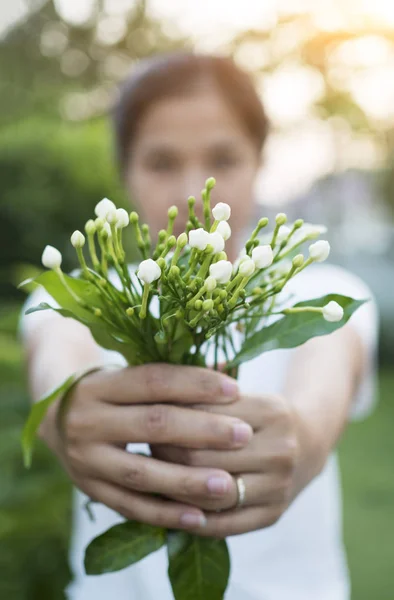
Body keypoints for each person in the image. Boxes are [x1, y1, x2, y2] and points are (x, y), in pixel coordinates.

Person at [21, 53, 378, 600]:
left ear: (260, 162)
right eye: (161, 162)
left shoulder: (316, 294)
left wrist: (303, 439)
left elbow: (326, 372)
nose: (193, 191)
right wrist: (66, 401)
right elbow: (55, 345)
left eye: (224, 158)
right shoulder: (86, 296)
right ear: (125, 172)